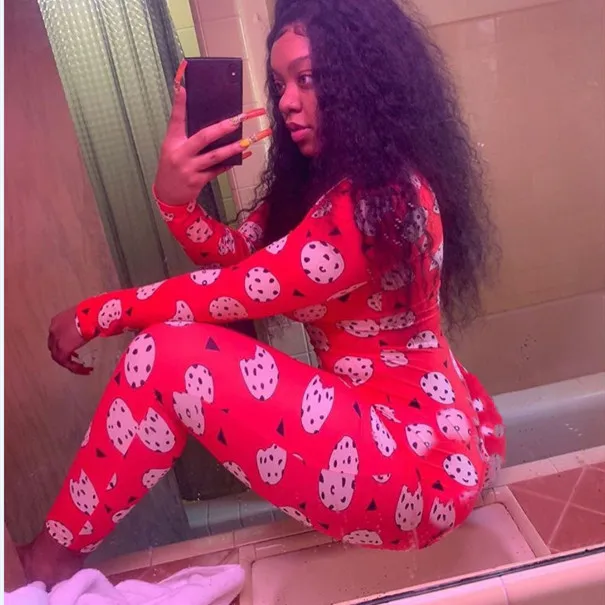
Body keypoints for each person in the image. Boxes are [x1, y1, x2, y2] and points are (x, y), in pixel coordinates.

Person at [20, 0, 505, 586]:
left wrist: (96, 314)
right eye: (280, 84)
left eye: (308, 78)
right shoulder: (334, 182)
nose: (287, 102)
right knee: (171, 351)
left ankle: (46, 561)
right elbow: (239, 255)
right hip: (421, 434)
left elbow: (239, 289)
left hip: (418, 468)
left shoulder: (381, 204)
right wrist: (175, 201)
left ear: (363, 79)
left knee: (165, 359)